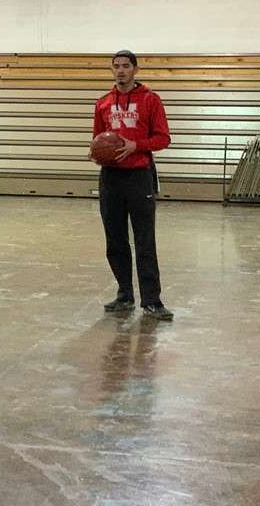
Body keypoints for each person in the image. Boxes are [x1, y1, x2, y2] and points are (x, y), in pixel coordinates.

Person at [91, 50, 173, 321]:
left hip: (139, 177)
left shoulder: (151, 100)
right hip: (110, 179)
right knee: (115, 240)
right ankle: (124, 294)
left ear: (135, 70)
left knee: (144, 240)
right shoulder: (102, 103)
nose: (121, 71)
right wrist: (95, 153)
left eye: (126, 66)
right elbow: (97, 138)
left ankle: (152, 300)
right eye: (116, 67)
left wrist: (136, 145)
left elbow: (163, 139)